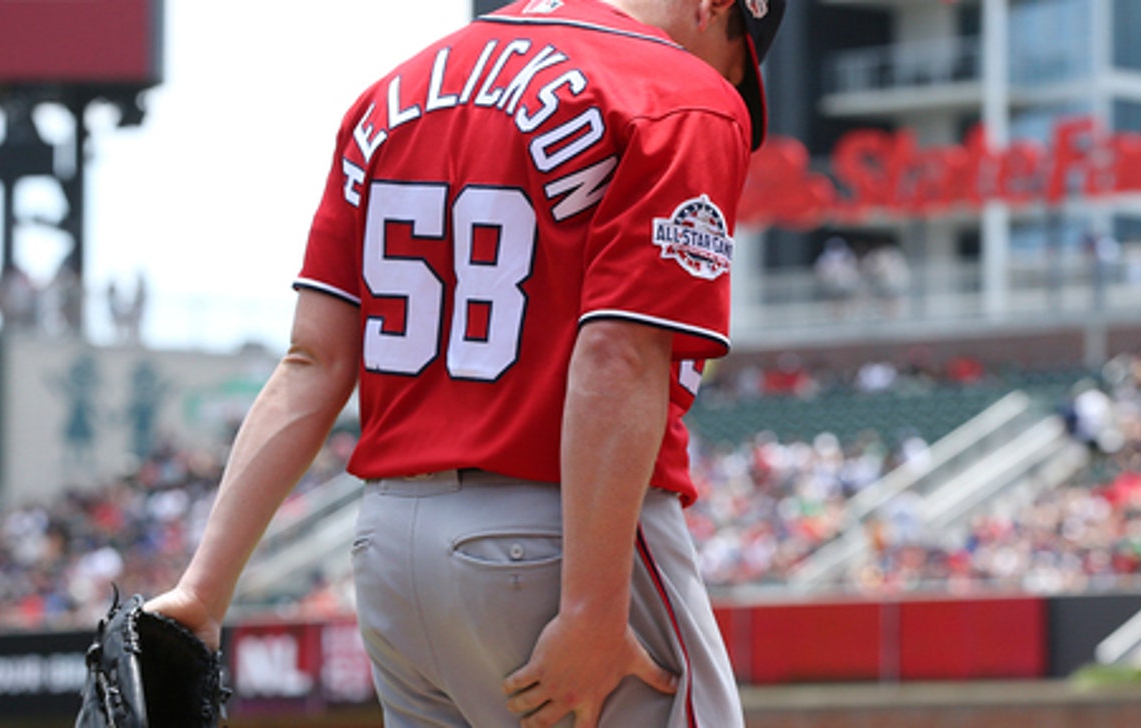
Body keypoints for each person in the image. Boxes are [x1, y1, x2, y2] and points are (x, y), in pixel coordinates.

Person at [145, 0, 784, 726]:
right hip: (553, 539)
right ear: (717, 7)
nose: (729, 85)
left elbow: (312, 361)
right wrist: (591, 612)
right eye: (736, 64)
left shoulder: (392, 94)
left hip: (390, 552)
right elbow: (618, 354)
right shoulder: (678, 94)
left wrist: (201, 593)